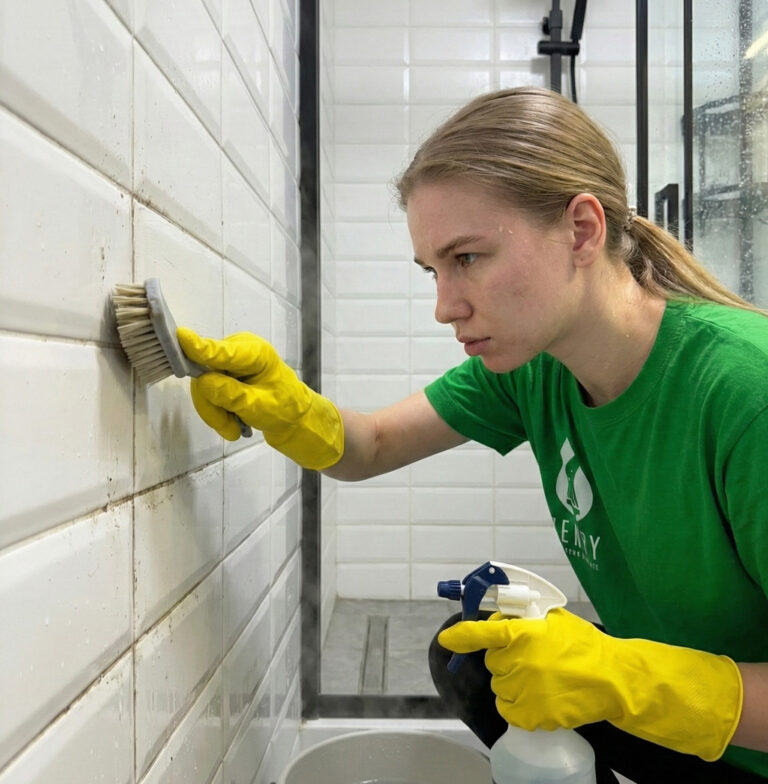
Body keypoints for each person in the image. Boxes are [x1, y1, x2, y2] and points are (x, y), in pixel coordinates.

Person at [175, 87, 768, 782]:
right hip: (684, 727)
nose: (443, 306)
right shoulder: (535, 366)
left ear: (582, 230)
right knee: (473, 657)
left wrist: (626, 677)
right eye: (434, 270)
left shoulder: (743, 391)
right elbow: (373, 445)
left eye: (468, 258)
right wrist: (289, 409)